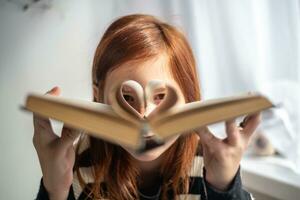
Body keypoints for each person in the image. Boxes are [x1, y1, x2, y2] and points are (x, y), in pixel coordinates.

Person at [34, 14, 259, 200]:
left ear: (189, 98)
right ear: (98, 96)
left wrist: (223, 186)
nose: (144, 116)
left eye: (160, 96)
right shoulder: (78, 162)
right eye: (127, 98)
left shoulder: (209, 161)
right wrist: (55, 190)